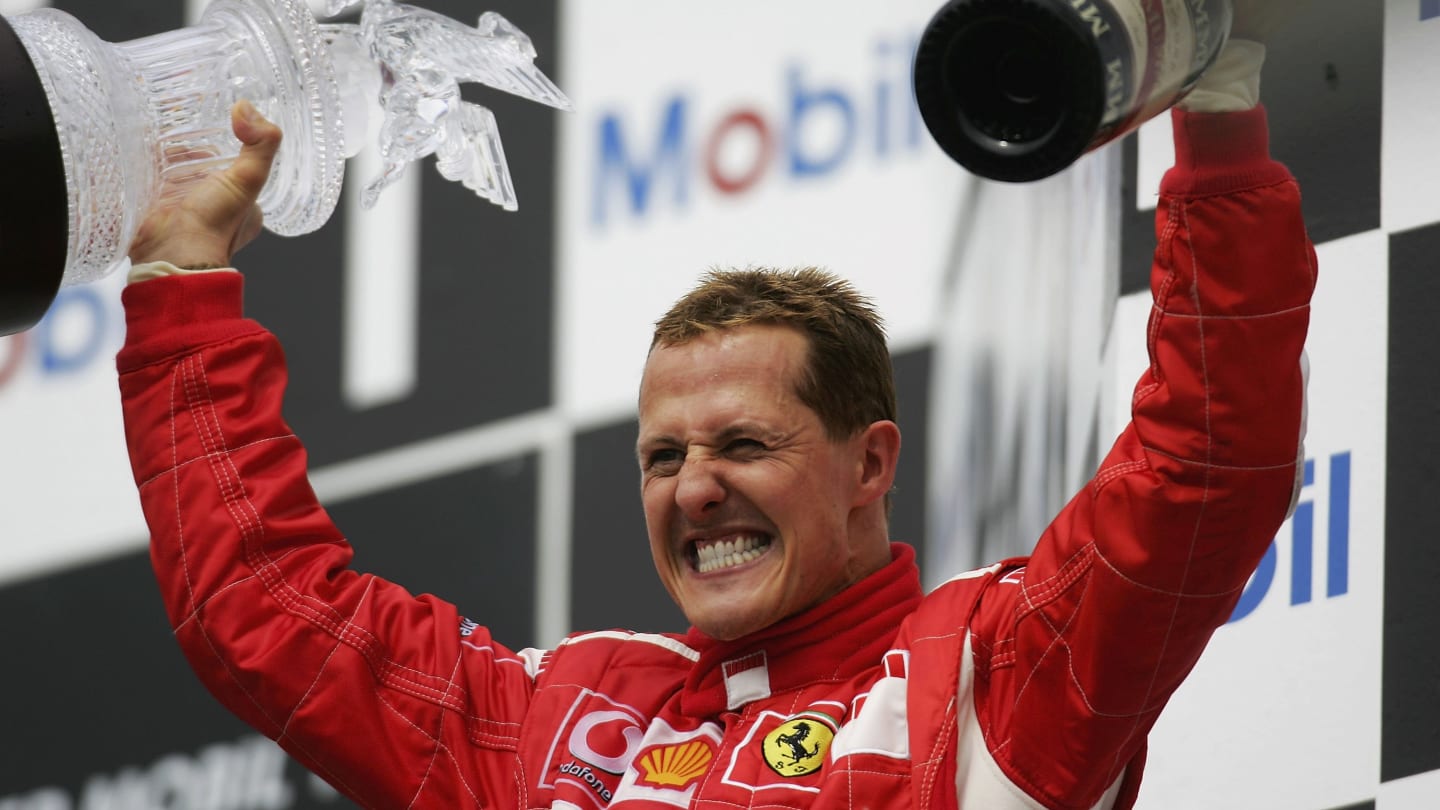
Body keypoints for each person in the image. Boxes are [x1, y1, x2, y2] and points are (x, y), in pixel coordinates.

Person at [115, 4, 1315, 808]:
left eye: (745, 444)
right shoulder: (562, 724)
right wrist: (180, 286)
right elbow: (265, 616)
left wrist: (1218, 122)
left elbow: (1206, 464)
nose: (694, 489)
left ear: (869, 462)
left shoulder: (988, 678)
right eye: (662, 456)